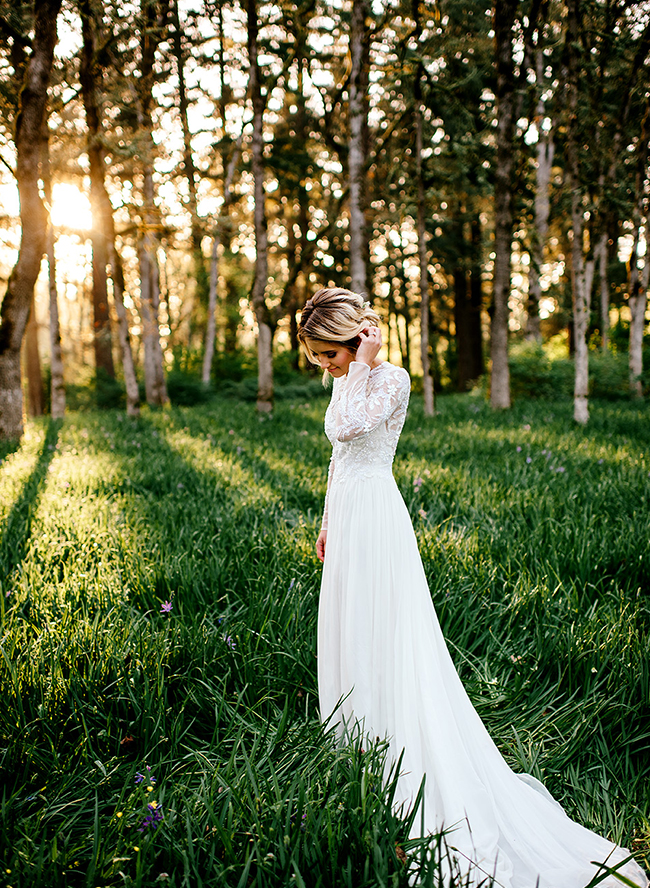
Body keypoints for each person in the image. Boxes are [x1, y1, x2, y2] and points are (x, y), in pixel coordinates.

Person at [297, 286, 648, 888]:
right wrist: (327, 517)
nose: (325, 368)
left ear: (353, 339)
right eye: (321, 361)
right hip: (350, 513)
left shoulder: (391, 381)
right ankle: (354, 736)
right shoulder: (348, 379)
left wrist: (363, 368)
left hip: (380, 514)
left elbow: (345, 429)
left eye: (328, 355)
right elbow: (337, 458)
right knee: (348, 620)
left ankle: (396, 734)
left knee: (386, 626)